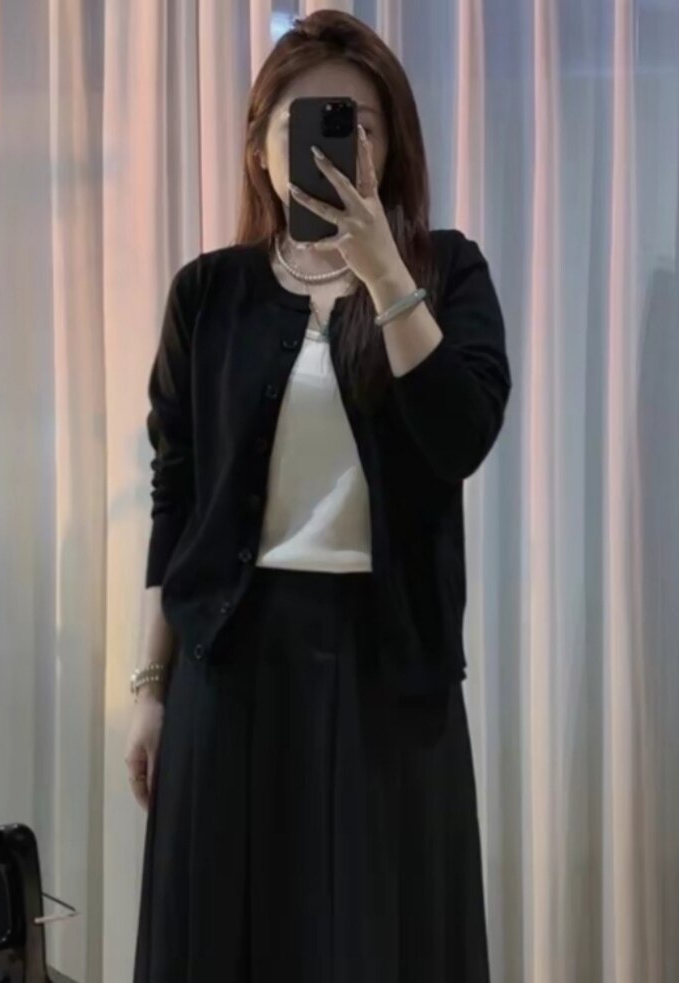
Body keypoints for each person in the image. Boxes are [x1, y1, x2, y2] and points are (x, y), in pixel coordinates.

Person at [126, 9, 511, 982]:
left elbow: (458, 438)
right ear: (260, 145)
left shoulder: (447, 271)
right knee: (226, 937)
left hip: (389, 666)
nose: (340, 144)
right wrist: (148, 688)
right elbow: (176, 492)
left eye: (360, 124)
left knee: (375, 940)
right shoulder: (207, 293)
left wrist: (384, 272)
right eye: (306, 122)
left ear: (392, 144)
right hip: (230, 661)